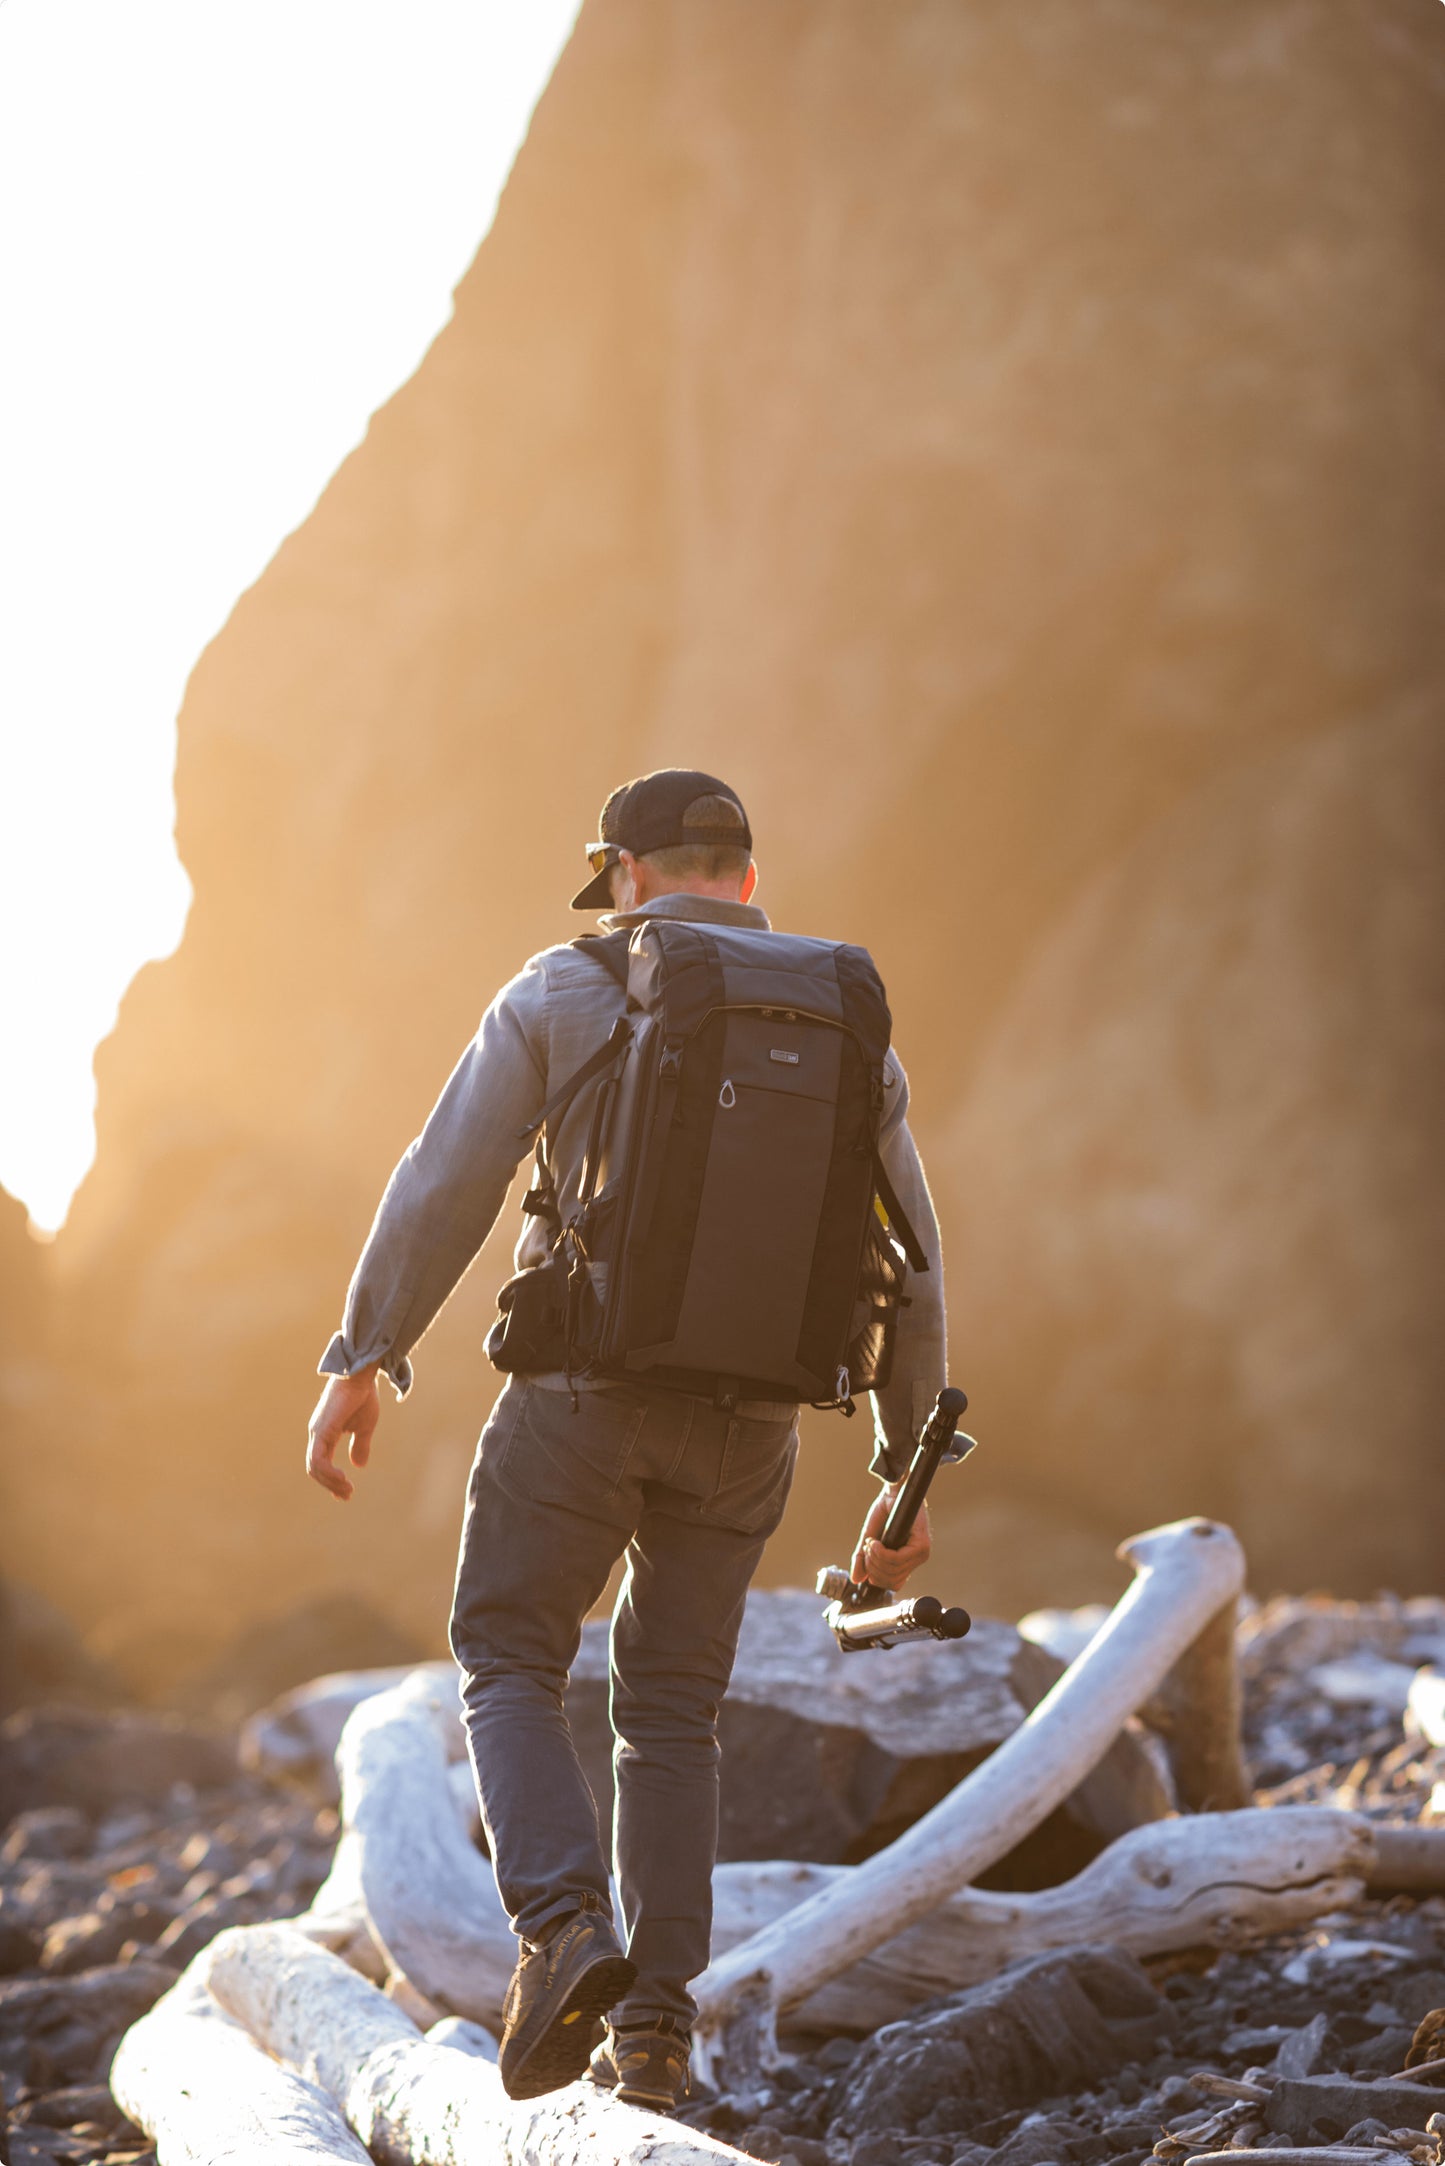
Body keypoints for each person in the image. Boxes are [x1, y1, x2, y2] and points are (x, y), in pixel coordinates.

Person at [306, 768, 947, 2107]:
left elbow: (448, 1175)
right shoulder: (848, 1024)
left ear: (629, 876)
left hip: (578, 1402)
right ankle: (653, 2024)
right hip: (754, 1425)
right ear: (747, 880)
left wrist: (365, 1352)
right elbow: (915, 1264)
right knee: (670, 1709)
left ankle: (558, 1927)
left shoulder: (565, 985)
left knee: (508, 1651)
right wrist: (899, 1483)